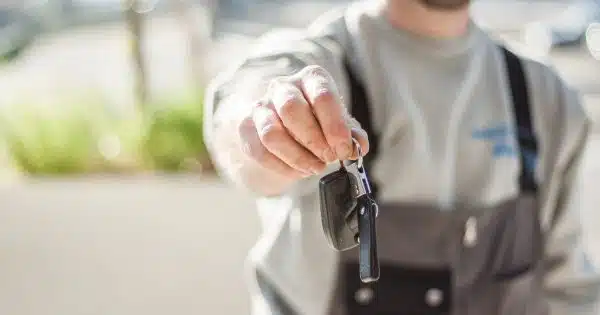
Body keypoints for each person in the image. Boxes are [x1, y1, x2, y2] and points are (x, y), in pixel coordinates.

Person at [203, 0, 600, 314]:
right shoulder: (324, 60)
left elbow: (568, 289)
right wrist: (269, 128)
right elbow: (246, 116)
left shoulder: (546, 99)